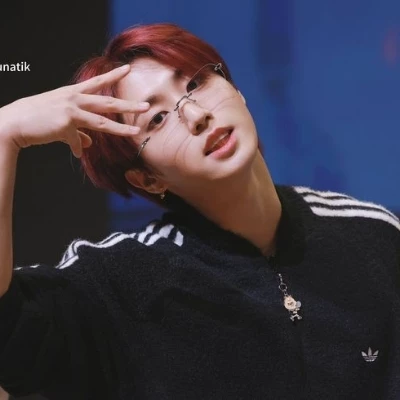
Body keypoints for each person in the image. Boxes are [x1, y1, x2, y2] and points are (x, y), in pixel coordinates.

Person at [0, 22, 399, 400]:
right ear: (147, 179)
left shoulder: (371, 234)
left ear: (236, 90)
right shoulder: (121, 282)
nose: (195, 115)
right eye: (157, 118)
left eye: (195, 83)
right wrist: (5, 133)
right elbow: (9, 331)